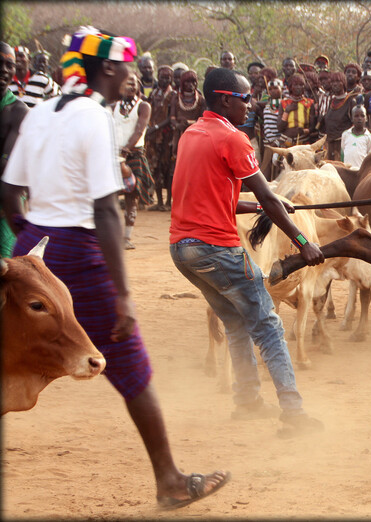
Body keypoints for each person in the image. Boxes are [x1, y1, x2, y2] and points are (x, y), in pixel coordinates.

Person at [2, 26, 229, 510]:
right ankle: (169, 481)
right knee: (132, 368)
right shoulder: (93, 117)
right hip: (79, 254)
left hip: (32, 251)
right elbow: (105, 209)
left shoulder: (38, 112)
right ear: (106, 67)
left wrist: (29, 241)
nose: (131, 73)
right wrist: (123, 293)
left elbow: (7, 191)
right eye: (125, 65)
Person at [169, 66, 326, 436]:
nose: (250, 105)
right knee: (269, 325)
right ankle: (293, 413)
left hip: (182, 249)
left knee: (236, 320)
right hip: (214, 248)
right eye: (245, 98)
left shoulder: (192, 134)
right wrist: (303, 243)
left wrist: (257, 208)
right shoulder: (234, 139)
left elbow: (209, 196)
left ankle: (248, 401)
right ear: (225, 99)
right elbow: (268, 195)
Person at [112, 74, 155, 249]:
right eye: (126, 84)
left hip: (134, 155)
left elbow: (139, 129)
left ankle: (126, 237)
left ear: (138, 87)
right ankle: (113, 235)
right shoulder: (114, 106)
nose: (130, 87)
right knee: (111, 196)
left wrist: (125, 150)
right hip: (115, 155)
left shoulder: (143, 106)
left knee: (132, 197)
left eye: (133, 85)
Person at [0, 42, 28, 257]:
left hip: (4, 208)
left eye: (9, 65)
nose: (4, 70)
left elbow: (5, 165)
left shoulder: (17, 111)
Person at [168, 70, 205, 207]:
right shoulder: (175, 98)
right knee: (177, 167)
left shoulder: (200, 100)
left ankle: (192, 199)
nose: (191, 85)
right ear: (182, 83)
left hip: (196, 137)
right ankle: (177, 199)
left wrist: (191, 123)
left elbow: (203, 119)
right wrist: (178, 124)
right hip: (179, 136)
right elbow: (172, 119)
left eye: (194, 81)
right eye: (188, 82)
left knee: (194, 168)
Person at [145, 65, 174, 211]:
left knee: (167, 168)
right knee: (155, 167)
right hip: (153, 136)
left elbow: (170, 118)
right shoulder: (154, 93)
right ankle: (160, 202)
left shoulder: (172, 95)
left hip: (166, 136)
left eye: (167, 77)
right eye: (162, 77)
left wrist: (156, 127)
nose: (164, 80)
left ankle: (169, 201)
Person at [319, 71, 354, 161]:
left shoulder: (350, 101)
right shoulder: (332, 101)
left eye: (338, 82)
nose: (335, 84)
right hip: (329, 144)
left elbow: (354, 125)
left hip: (342, 144)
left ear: (344, 84)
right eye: (333, 82)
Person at [278, 73, 316, 146]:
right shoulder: (284, 103)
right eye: (295, 85)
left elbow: (312, 127)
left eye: (301, 85)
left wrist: (304, 131)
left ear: (304, 87)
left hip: (303, 141)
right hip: (286, 141)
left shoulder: (309, 103)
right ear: (290, 87)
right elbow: (280, 128)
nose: (298, 87)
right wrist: (287, 111)